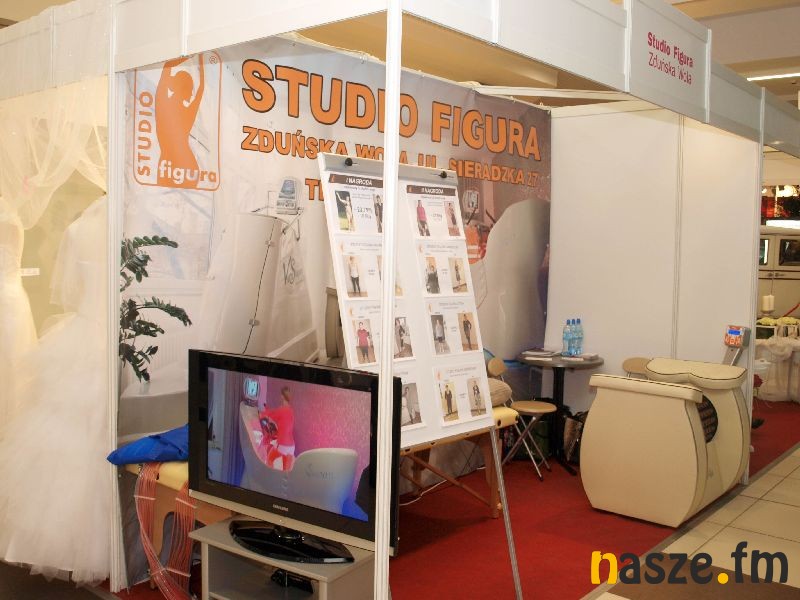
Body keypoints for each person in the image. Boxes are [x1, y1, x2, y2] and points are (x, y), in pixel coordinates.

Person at [156, 55, 204, 188]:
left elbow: (167, 67)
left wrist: (197, 56)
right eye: (190, 89)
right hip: (184, 167)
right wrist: (198, 57)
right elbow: (201, 89)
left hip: (169, 167)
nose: (192, 94)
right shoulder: (186, 112)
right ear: (184, 89)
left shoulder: (162, 103)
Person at [259, 386, 296, 471]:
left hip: (283, 444)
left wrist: (261, 413)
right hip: (292, 446)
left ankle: (271, 476)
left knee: (269, 459)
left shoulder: (281, 410)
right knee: (286, 470)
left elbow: (269, 414)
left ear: (282, 396)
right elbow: (283, 424)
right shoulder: (291, 410)